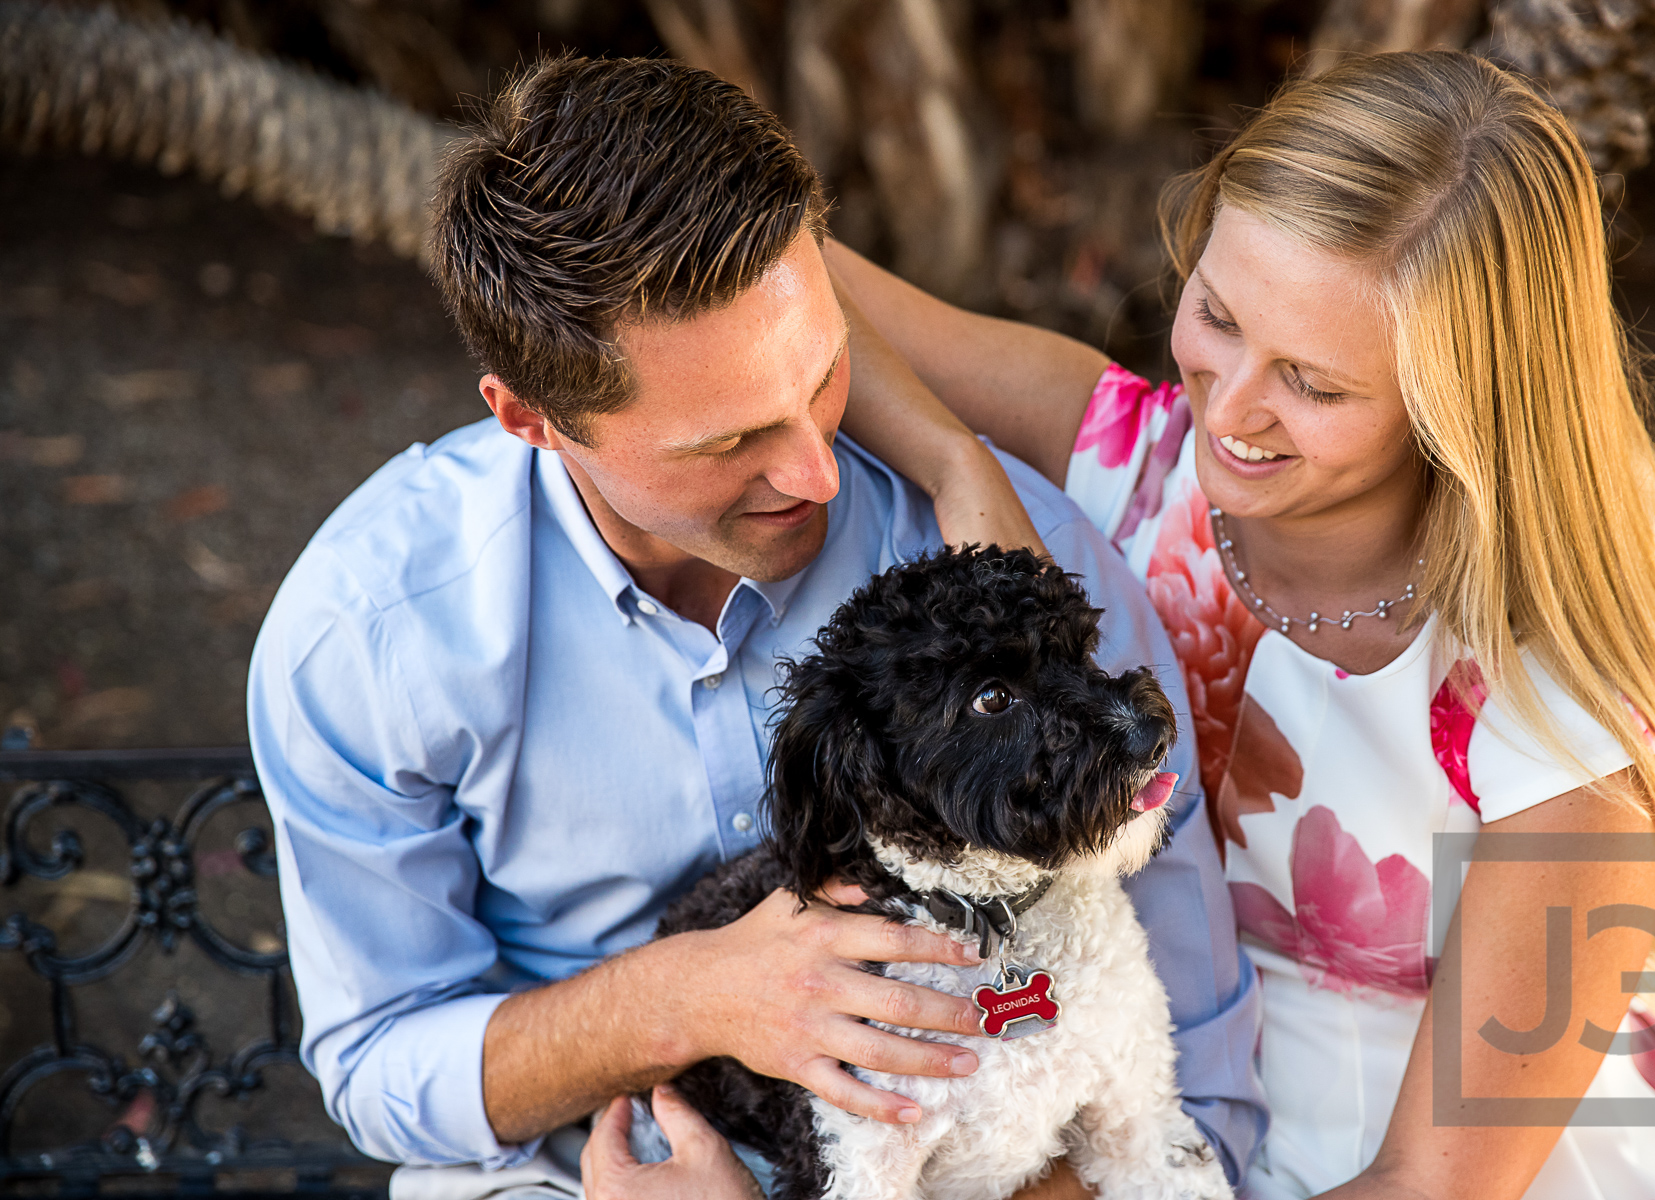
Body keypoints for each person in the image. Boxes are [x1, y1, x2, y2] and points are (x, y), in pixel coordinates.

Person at [246, 53, 1264, 1200]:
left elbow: (1199, 1072)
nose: (819, 473)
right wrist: (681, 997)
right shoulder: (372, 638)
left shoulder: (1013, 564)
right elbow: (385, 1058)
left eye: (827, 377)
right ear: (530, 417)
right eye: (724, 443)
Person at [830, 49, 1655, 1200]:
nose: (1226, 408)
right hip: (1131, 1098)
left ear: (1459, 405)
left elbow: (1435, 1187)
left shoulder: (1567, 731)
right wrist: (951, 460)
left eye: (1315, 386)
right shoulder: (1127, 465)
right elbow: (790, 272)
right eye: (1217, 316)